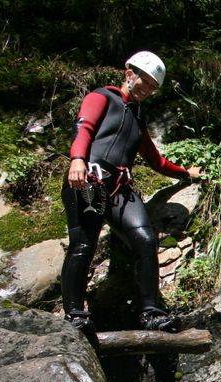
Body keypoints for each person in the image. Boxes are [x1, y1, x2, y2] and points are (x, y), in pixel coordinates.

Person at [61, 50, 201, 338]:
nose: (147, 90)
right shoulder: (102, 96)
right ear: (129, 74)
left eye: (152, 87)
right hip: (89, 179)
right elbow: (84, 128)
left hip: (120, 189)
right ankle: (74, 314)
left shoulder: (137, 117)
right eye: (145, 82)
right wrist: (77, 160)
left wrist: (186, 173)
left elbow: (155, 160)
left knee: (146, 239)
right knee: (83, 245)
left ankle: (151, 313)